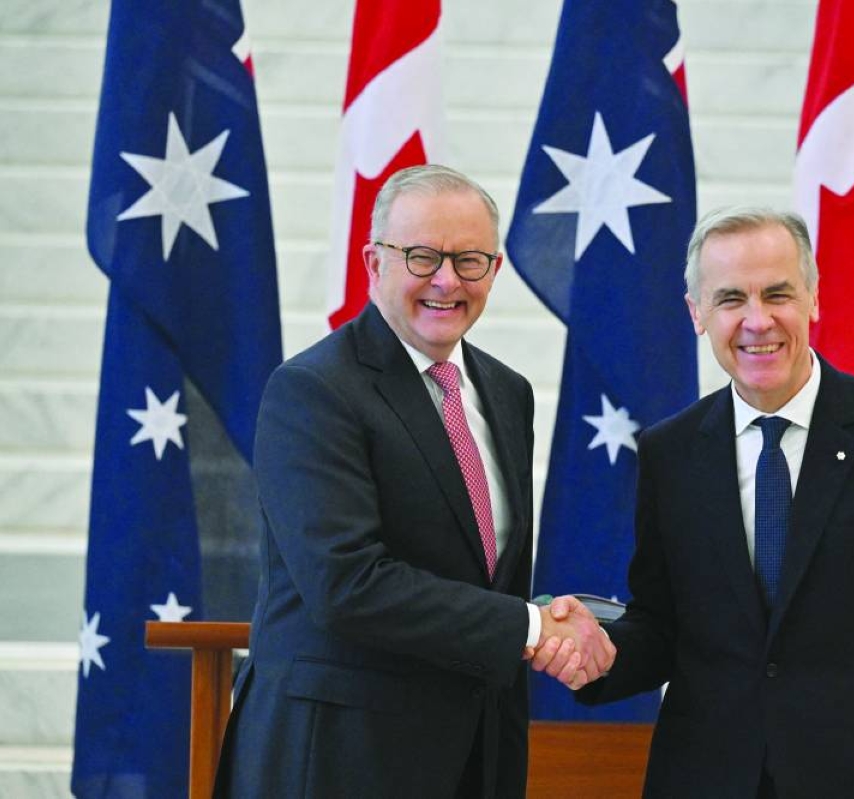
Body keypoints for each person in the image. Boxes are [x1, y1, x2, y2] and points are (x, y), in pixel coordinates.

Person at [543, 207, 854, 796]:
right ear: (697, 315)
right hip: (707, 776)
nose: (757, 321)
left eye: (778, 294)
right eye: (731, 299)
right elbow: (664, 626)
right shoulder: (670, 453)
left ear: (813, 299)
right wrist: (601, 653)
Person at [214, 164, 613, 799]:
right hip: (339, 759)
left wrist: (538, 618)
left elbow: (481, 577)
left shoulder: (507, 393)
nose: (447, 280)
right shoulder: (313, 391)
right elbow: (347, 583)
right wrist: (533, 630)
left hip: (474, 754)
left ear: (496, 269)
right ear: (374, 263)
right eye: (423, 257)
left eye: (470, 260)